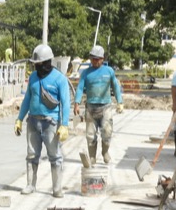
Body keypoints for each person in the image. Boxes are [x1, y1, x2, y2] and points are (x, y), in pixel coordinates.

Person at [14, 43, 72, 198]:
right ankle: (30, 185)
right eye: (35, 65)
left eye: (39, 64)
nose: (37, 68)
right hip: (33, 121)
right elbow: (27, 99)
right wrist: (19, 119)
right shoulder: (33, 77)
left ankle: (57, 188)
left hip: (51, 123)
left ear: (47, 62)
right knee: (31, 154)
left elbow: (66, 103)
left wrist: (65, 124)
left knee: (55, 156)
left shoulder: (60, 79)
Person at [74, 44, 124, 164]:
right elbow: (80, 88)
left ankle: (105, 152)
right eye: (93, 59)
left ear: (102, 59)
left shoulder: (109, 71)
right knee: (90, 135)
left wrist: (120, 102)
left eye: (97, 59)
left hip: (105, 107)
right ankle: (92, 156)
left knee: (107, 133)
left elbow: (116, 87)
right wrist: (76, 102)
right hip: (91, 108)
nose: (95, 61)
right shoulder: (86, 73)